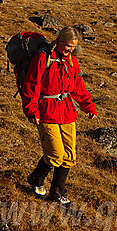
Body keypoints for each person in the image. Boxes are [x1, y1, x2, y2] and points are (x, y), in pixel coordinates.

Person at [21, 26, 96, 205]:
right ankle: (36, 178)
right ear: (59, 41)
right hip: (46, 111)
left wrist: (88, 106)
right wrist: (32, 110)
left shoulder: (72, 62)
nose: (70, 50)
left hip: (67, 112)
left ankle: (56, 191)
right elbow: (31, 85)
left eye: (74, 47)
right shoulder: (43, 58)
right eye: (68, 46)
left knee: (69, 156)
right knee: (55, 154)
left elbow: (78, 87)